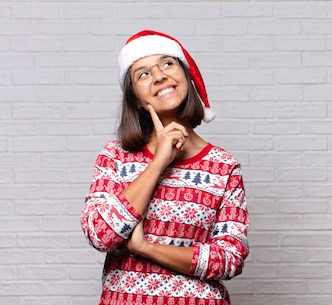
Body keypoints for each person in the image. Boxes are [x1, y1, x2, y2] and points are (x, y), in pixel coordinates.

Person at [80, 30, 249, 305]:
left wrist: (146, 248)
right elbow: (100, 234)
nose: (159, 76)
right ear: (135, 98)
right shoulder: (115, 157)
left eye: (167, 64)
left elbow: (229, 259)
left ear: (186, 76)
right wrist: (159, 162)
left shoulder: (223, 167)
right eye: (143, 74)